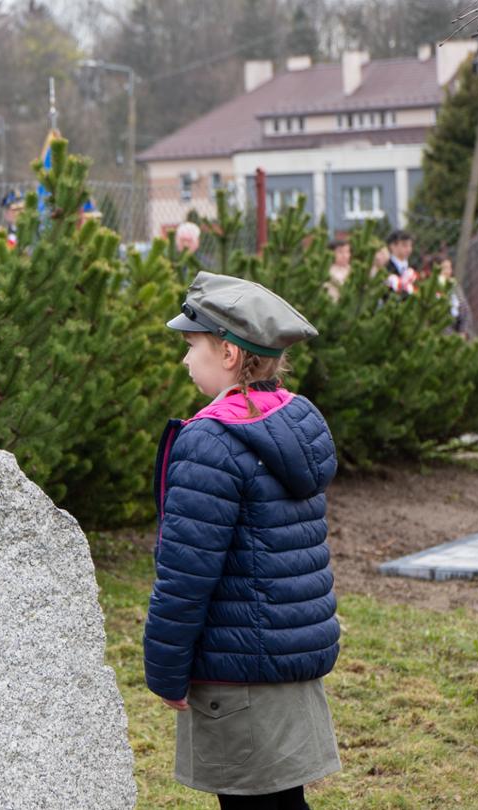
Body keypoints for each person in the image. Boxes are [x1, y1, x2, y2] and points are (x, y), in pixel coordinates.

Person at [148, 272, 341, 810]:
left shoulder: (211, 441)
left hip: (237, 675)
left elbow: (186, 576)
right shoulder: (289, 423)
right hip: (285, 661)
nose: (186, 361)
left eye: (192, 346)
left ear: (229, 352)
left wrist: (165, 672)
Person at [383, 230, 418, 295]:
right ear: (392, 246)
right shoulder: (386, 268)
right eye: (404, 245)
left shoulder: (413, 267)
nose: (409, 249)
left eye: (410, 245)